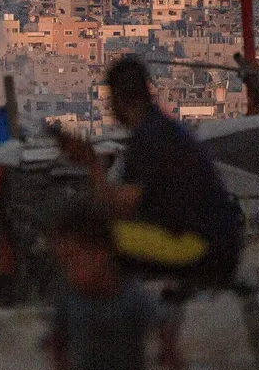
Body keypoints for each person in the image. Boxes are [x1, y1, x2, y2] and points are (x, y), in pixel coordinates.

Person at [56, 55, 244, 291]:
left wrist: (91, 165)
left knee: (94, 239)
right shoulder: (161, 129)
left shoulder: (149, 138)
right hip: (214, 244)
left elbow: (120, 210)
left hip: (202, 249)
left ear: (116, 99)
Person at [45, 200, 187, 370]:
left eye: (74, 260)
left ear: (102, 253)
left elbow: (165, 329)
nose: (69, 272)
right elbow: (56, 343)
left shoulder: (131, 296)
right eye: (64, 264)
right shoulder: (70, 299)